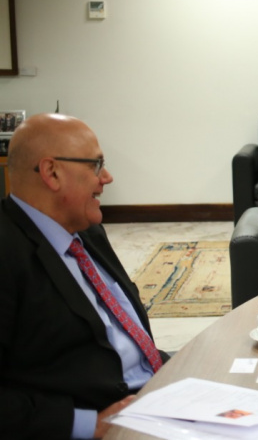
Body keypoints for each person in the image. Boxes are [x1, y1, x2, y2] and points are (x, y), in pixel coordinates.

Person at [1, 113, 167, 440]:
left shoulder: (87, 231)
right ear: (52, 172)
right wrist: (89, 426)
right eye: (95, 165)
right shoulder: (7, 253)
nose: (106, 177)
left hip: (157, 394)